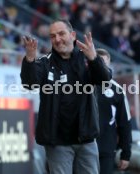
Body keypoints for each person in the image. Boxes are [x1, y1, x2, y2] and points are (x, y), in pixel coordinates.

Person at [20, 19, 112, 174]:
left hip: (86, 138)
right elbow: (30, 84)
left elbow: (105, 81)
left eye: (61, 34)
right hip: (58, 141)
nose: (57, 39)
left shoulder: (87, 59)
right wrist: (29, 59)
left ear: (73, 35)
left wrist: (94, 59)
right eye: (53, 36)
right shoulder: (45, 63)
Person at [95, 48, 132, 174]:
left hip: (105, 148)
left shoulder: (117, 90)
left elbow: (125, 123)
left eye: (103, 62)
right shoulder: (80, 86)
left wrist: (126, 153)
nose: (100, 66)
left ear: (109, 64)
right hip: (81, 147)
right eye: (97, 62)